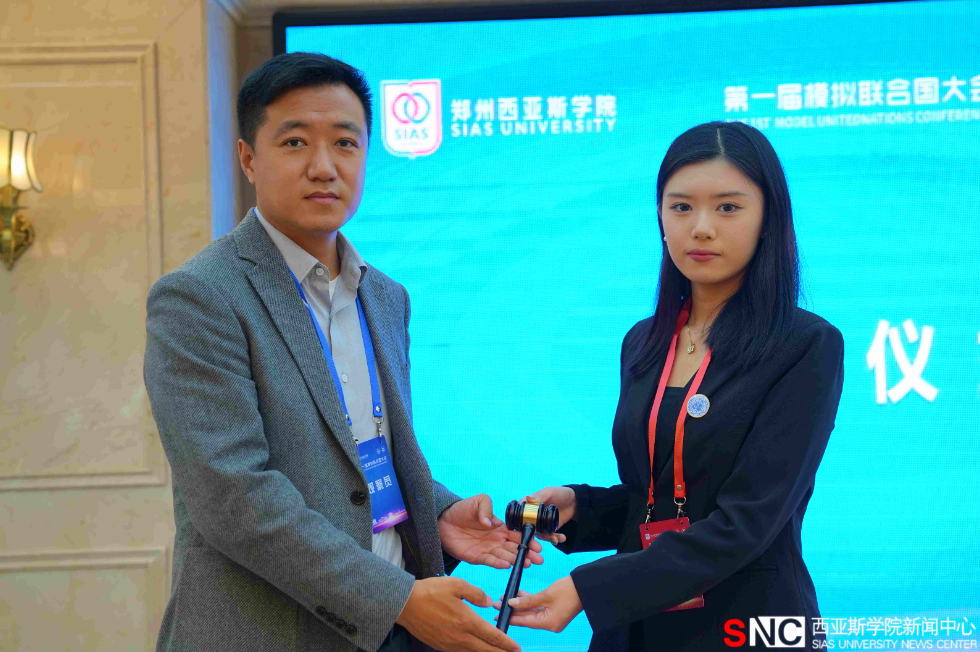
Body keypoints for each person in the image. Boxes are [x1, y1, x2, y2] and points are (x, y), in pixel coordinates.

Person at [144, 52, 542, 652]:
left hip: (389, 629)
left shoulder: (385, 296)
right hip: (268, 633)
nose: (324, 167)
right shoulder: (200, 297)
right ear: (248, 158)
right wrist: (395, 599)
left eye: (346, 144)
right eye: (295, 142)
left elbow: (360, 452)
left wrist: (437, 512)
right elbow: (233, 497)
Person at [495, 121, 844, 651]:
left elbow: (748, 521)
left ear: (768, 219)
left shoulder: (806, 344)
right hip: (637, 628)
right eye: (681, 207)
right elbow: (658, 500)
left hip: (749, 625)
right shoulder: (644, 341)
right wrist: (580, 507)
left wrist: (590, 590)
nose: (701, 228)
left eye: (728, 207)